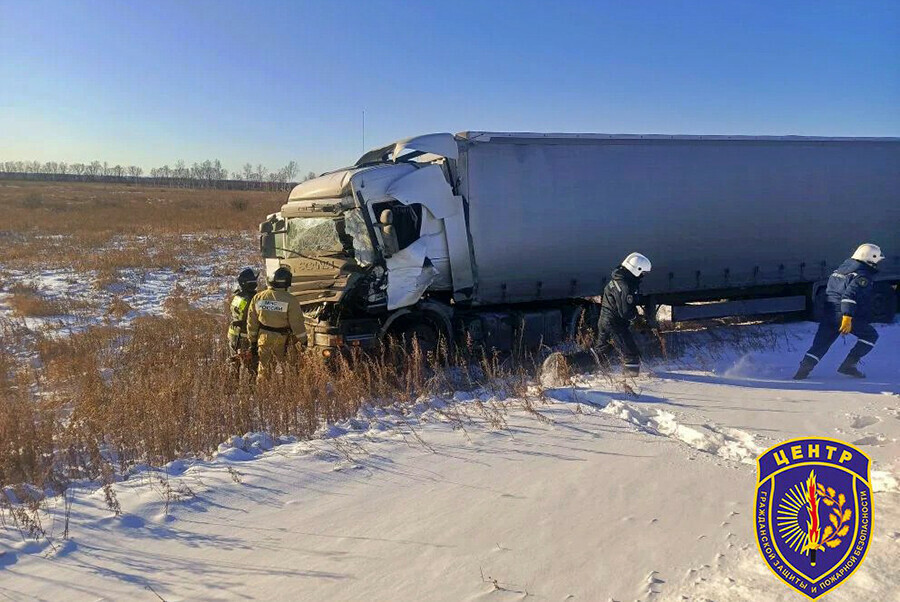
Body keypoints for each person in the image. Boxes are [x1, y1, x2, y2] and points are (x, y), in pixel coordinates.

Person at [794, 243, 885, 380]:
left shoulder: (841, 270)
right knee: (870, 336)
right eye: (876, 260)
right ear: (869, 258)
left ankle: (803, 370)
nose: (877, 264)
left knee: (821, 343)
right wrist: (847, 317)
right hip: (844, 314)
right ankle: (849, 365)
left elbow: (831, 291)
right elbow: (849, 296)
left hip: (829, 312)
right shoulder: (862, 276)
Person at [597, 252, 652, 376]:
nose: (642, 276)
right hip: (615, 324)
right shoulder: (625, 285)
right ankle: (632, 380)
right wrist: (637, 320)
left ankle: (568, 361)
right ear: (636, 269)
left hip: (605, 320)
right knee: (631, 353)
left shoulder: (616, 280)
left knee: (600, 353)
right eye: (642, 273)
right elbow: (625, 311)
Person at [247, 266, 307, 380]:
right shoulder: (290, 300)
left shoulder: (258, 297)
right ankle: (290, 394)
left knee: (264, 371)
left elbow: (252, 322)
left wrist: (253, 342)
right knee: (290, 370)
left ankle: (263, 394)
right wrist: (304, 341)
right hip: (283, 341)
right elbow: (297, 324)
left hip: (263, 339)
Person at [228, 267, 259, 376]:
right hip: (245, 336)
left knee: (234, 365)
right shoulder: (254, 298)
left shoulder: (238, 296)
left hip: (233, 334)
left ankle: (231, 390)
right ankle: (252, 391)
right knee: (252, 366)